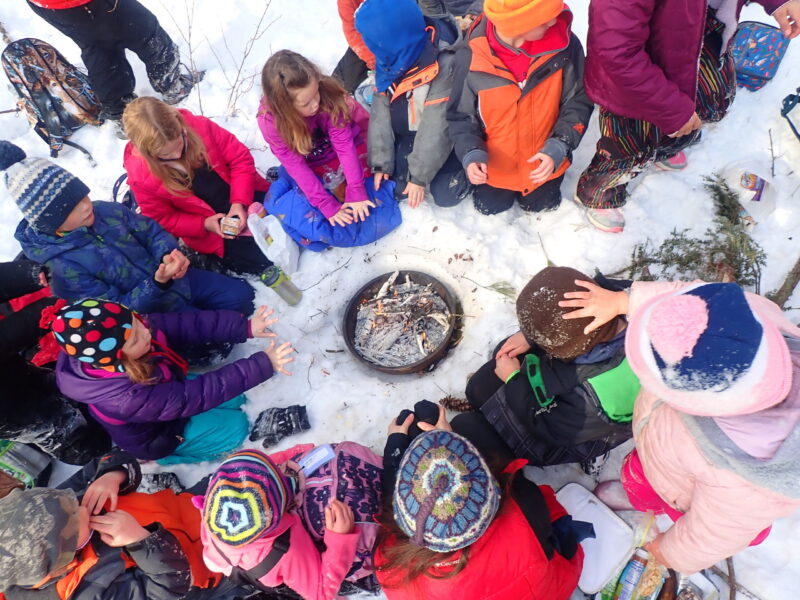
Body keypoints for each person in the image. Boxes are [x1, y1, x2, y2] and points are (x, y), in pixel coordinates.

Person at [560, 278, 800, 573]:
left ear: (693, 399)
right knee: (646, 471)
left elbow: (711, 535)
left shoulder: (746, 486)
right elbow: (692, 305)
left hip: (683, 484)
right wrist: (626, 301)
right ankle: (643, 489)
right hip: (670, 445)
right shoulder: (749, 321)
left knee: (652, 486)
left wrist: (669, 552)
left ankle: (645, 498)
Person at [574, 0, 800, 233]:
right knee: (629, 146)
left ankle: (663, 145)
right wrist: (672, 110)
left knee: (693, 110)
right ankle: (598, 193)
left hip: (696, 40)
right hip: (633, 84)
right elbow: (616, 53)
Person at [1, 141, 255, 316]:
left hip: (178, 281)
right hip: (149, 315)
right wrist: (158, 284)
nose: (86, 206)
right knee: (221, 336)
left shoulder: (104, 211)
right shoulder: (61, 268)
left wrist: (167, 253)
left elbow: (150, 231)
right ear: (51, 222)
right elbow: (117, 311)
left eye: (83, 196)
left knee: (244, 298)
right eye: (73, 208)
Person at [52, 299, 295, 464]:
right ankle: (173, 455)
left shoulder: (131, 332)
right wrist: (263, 364)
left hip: (166, 391)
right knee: (237, 427)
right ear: (115, 358)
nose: (146, 332)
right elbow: (194, 397)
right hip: (159, 434)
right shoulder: (126, 399)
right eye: (136, 338)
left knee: (236, 397)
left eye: (138, 321)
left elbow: (187, 325)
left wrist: (245, 327)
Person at [375, 412, 585, 600]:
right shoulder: (520, 512)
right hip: (553, 588)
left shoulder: (392, 570)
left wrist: (395, 451)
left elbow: (390, 521)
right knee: (468, 423)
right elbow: (551, 511)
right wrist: (453, 442)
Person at [465, 266, 637, 469]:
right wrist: (530, 336)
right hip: (575, 378)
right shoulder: (616, 299)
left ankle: (593, 456)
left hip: (571, 432)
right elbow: (568, 315)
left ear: (570, 350)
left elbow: (548, 426)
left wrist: (513, 380)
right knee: (482, 383)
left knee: (477, 423)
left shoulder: (605, 393)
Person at [0, 448, 221, 599]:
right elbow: (168, 591)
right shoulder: (87, 591)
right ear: (63, 554)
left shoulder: (54, 506)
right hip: (214, 563)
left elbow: (108, 458)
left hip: (190, 507)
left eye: (70, 502)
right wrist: (142, 542)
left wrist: (111, 475)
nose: (82, 506)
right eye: (75, 517)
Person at [447, 0, 593, 215]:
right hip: (496, 167)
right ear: (519, 24)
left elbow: (578, 101)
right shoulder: (471, 57)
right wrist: (471, 152)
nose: (554, 20)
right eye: (544, 17)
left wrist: (560, 144)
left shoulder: (565, 46)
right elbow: (461, 116)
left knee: (540, 207)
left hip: (544, 164)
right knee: (490, 208)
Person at [197, 444, 383, 600]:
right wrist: (339, 539)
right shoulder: (286, 550)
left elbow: (264, 466)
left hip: (222, 554)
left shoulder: (220, 499)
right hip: (271, 569)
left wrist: (295, 454)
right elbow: (321, 593)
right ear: (282, 509)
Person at [258, 50, 401, 249]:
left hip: (348, 147)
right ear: (285, 108)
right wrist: (327, 206)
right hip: (310, 160)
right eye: (306, 103)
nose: (315, 104)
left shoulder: (327, 95)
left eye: (315, 92)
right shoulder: (270, 122)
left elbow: (344, 145)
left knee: (373, 190)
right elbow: (296, 166)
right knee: (306, 204)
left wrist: (356, 190)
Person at [122, 97, 272, 278]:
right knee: (265, 259)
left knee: (288, 223)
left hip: (244, 193)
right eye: (166, 155)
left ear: (179, 124)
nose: (177, 154)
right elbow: (162, 218)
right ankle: (208, 259)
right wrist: (204, 225)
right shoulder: (141, 177)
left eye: (179, 143)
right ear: (149, 154)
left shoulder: (199, 126)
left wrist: (239, 202)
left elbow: (239, 159)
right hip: (211, 229)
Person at [355, 0, 471, 209]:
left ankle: (466, 168)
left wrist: (418, 176)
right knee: (396, 187)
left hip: (447, 137)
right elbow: (380, 114)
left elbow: (437, 126)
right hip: (411, 129)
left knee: (446, 194)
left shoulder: (444, 62)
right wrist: (380, 163)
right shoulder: (389, 59)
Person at [25, 0, 200, 132]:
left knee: (97, 45)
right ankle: (172, 85)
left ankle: (122, 115)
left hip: (52, 6)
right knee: (145, 31)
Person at [0, 257, 111, 465]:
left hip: (10, 367)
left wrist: (32, 275)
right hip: (5, 408)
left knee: (55, 385)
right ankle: (93, 451)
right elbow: (8, 335)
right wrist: (48, 311)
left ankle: (95, 408)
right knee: (54, 422)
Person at [334, 0, 483, 94]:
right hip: (375, 37)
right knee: (342, 81)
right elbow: (351, 30)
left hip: (472, 15)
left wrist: (473, 14)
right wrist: (378, 61)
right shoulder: (347, 3)